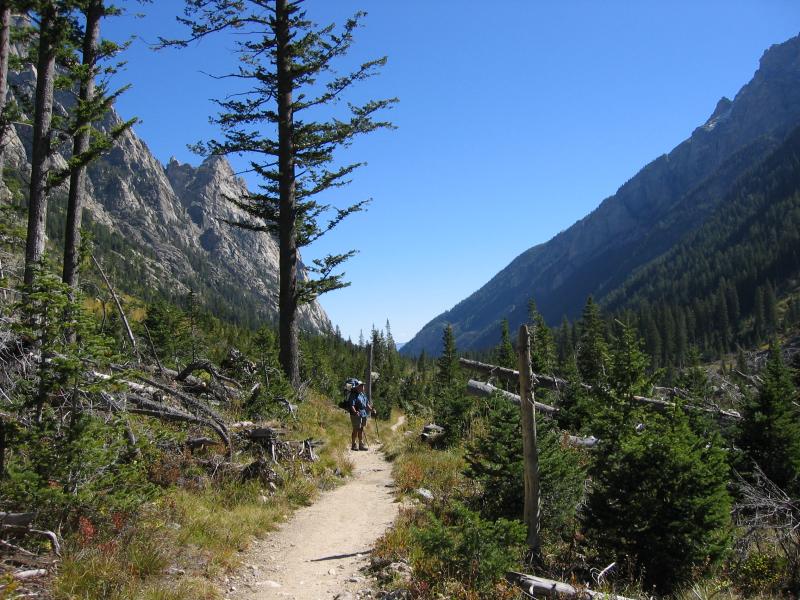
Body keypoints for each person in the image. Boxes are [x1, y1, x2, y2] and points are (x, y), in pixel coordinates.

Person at [348, 380, 372, 451]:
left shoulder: (362, 394)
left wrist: (371, 410)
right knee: (355, 429)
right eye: (361, 386)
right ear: (357, 387)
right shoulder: (353, 395)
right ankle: (353, 444)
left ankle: (361, 444)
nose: (363, 387)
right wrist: (355, 412)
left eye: (363, 385)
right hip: (355, 414)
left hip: (363, 413)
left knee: (361, 429)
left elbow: (367, 404)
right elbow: (351, 405)